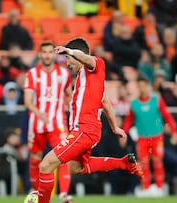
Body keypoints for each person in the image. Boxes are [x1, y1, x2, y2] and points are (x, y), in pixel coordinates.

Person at [25, 38, 143, 203]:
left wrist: (69, 51)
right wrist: (115, 126)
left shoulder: (95, 65)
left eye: (68, 59)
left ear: (76, 55)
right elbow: (106, 102)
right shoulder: (88, 80)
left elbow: (88, 59)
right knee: (76, 168)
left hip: (85, 130)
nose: (67, 63)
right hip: (86, 131)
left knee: (45, 165)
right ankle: (124, 164)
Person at [24, 41, 72, 203]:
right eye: (44, 52)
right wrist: (39, 113)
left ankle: (64, 195)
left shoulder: (64, 74)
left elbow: (69, 94)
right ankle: (36, 193)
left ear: (54, 54)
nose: (46, 55)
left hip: (57, 122)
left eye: (50, 52)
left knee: (63, 156)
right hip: (37, 122)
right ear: (40, 54)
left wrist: (73, 109)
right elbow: (28, 101)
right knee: (35, 157)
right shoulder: (32, 74)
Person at [122, 76, 177, 196]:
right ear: (138, 87)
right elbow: (128, 121)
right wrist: (123, 134)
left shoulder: (156, 100)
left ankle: (159, 187)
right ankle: (146, 188)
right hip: (142, 138)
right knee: (144, 164)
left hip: (157, 137)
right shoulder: (134, 104)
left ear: (148, 86)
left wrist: (174, 132)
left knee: (158, 162)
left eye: (144, 85)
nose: (142, 88)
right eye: (140, 86)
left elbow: (168, 116)